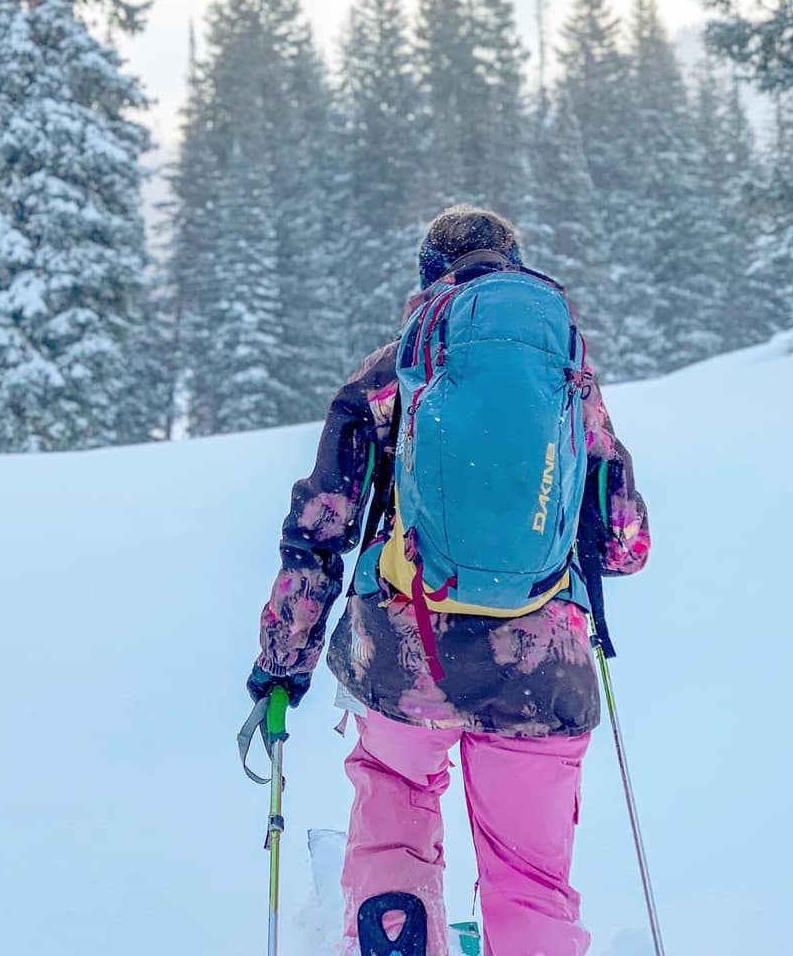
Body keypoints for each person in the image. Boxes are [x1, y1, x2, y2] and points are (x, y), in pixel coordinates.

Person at [247, 206, 651, 956]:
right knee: (530, 880)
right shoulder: (567, 378)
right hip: (543, 669)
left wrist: (283, 660)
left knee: (394, 820)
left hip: (406, 655)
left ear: (429, 280)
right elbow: (626, 543)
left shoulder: (387, 373)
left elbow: (320, 529)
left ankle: (396, 930)